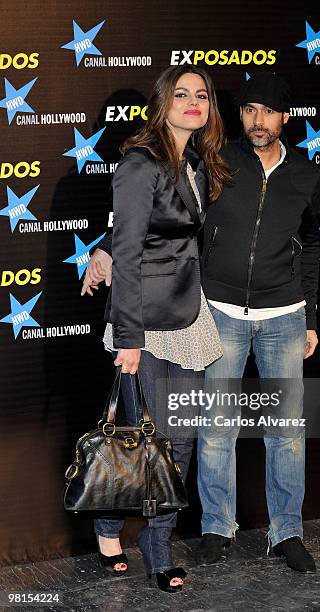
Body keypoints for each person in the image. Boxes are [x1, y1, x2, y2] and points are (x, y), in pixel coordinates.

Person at [83, 73, 320, 575]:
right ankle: (160, 529)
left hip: (236, 316)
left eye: (202, 96)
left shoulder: (247, 166)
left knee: (226, 435)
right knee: (171, 433)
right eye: (182, 95)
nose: (259, 120)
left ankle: (259, 534)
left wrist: (311, 319)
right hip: (183, 318)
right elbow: (132, 229)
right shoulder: (178, 161)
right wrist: (104, 255)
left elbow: (307, 247)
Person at [88, 64, 229, 593]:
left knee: (180, 439)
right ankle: (111, 529)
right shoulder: (139, 162)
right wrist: (128, 339)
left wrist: (100, 247)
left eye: (202, 96)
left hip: (189, 316)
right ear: (163, 103)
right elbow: (126, 250)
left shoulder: (196, 160)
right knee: (142, 438)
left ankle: (154, 539)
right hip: (144, 322)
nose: (194, 103)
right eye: (182, 95)